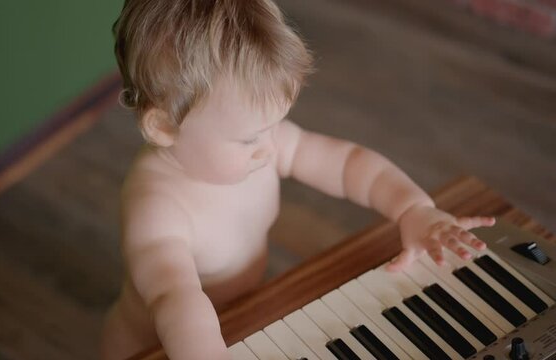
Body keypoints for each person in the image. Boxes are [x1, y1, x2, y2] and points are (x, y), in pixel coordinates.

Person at [101, 0, 496, 359]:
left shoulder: (263, 143)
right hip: (161, 347)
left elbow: (347, 165)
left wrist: (413, 209)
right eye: (250, 136)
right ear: (165, 126)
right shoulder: (156, 206)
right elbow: (178, 299)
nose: (268, 145)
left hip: (239, 316)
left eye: (274, 124)